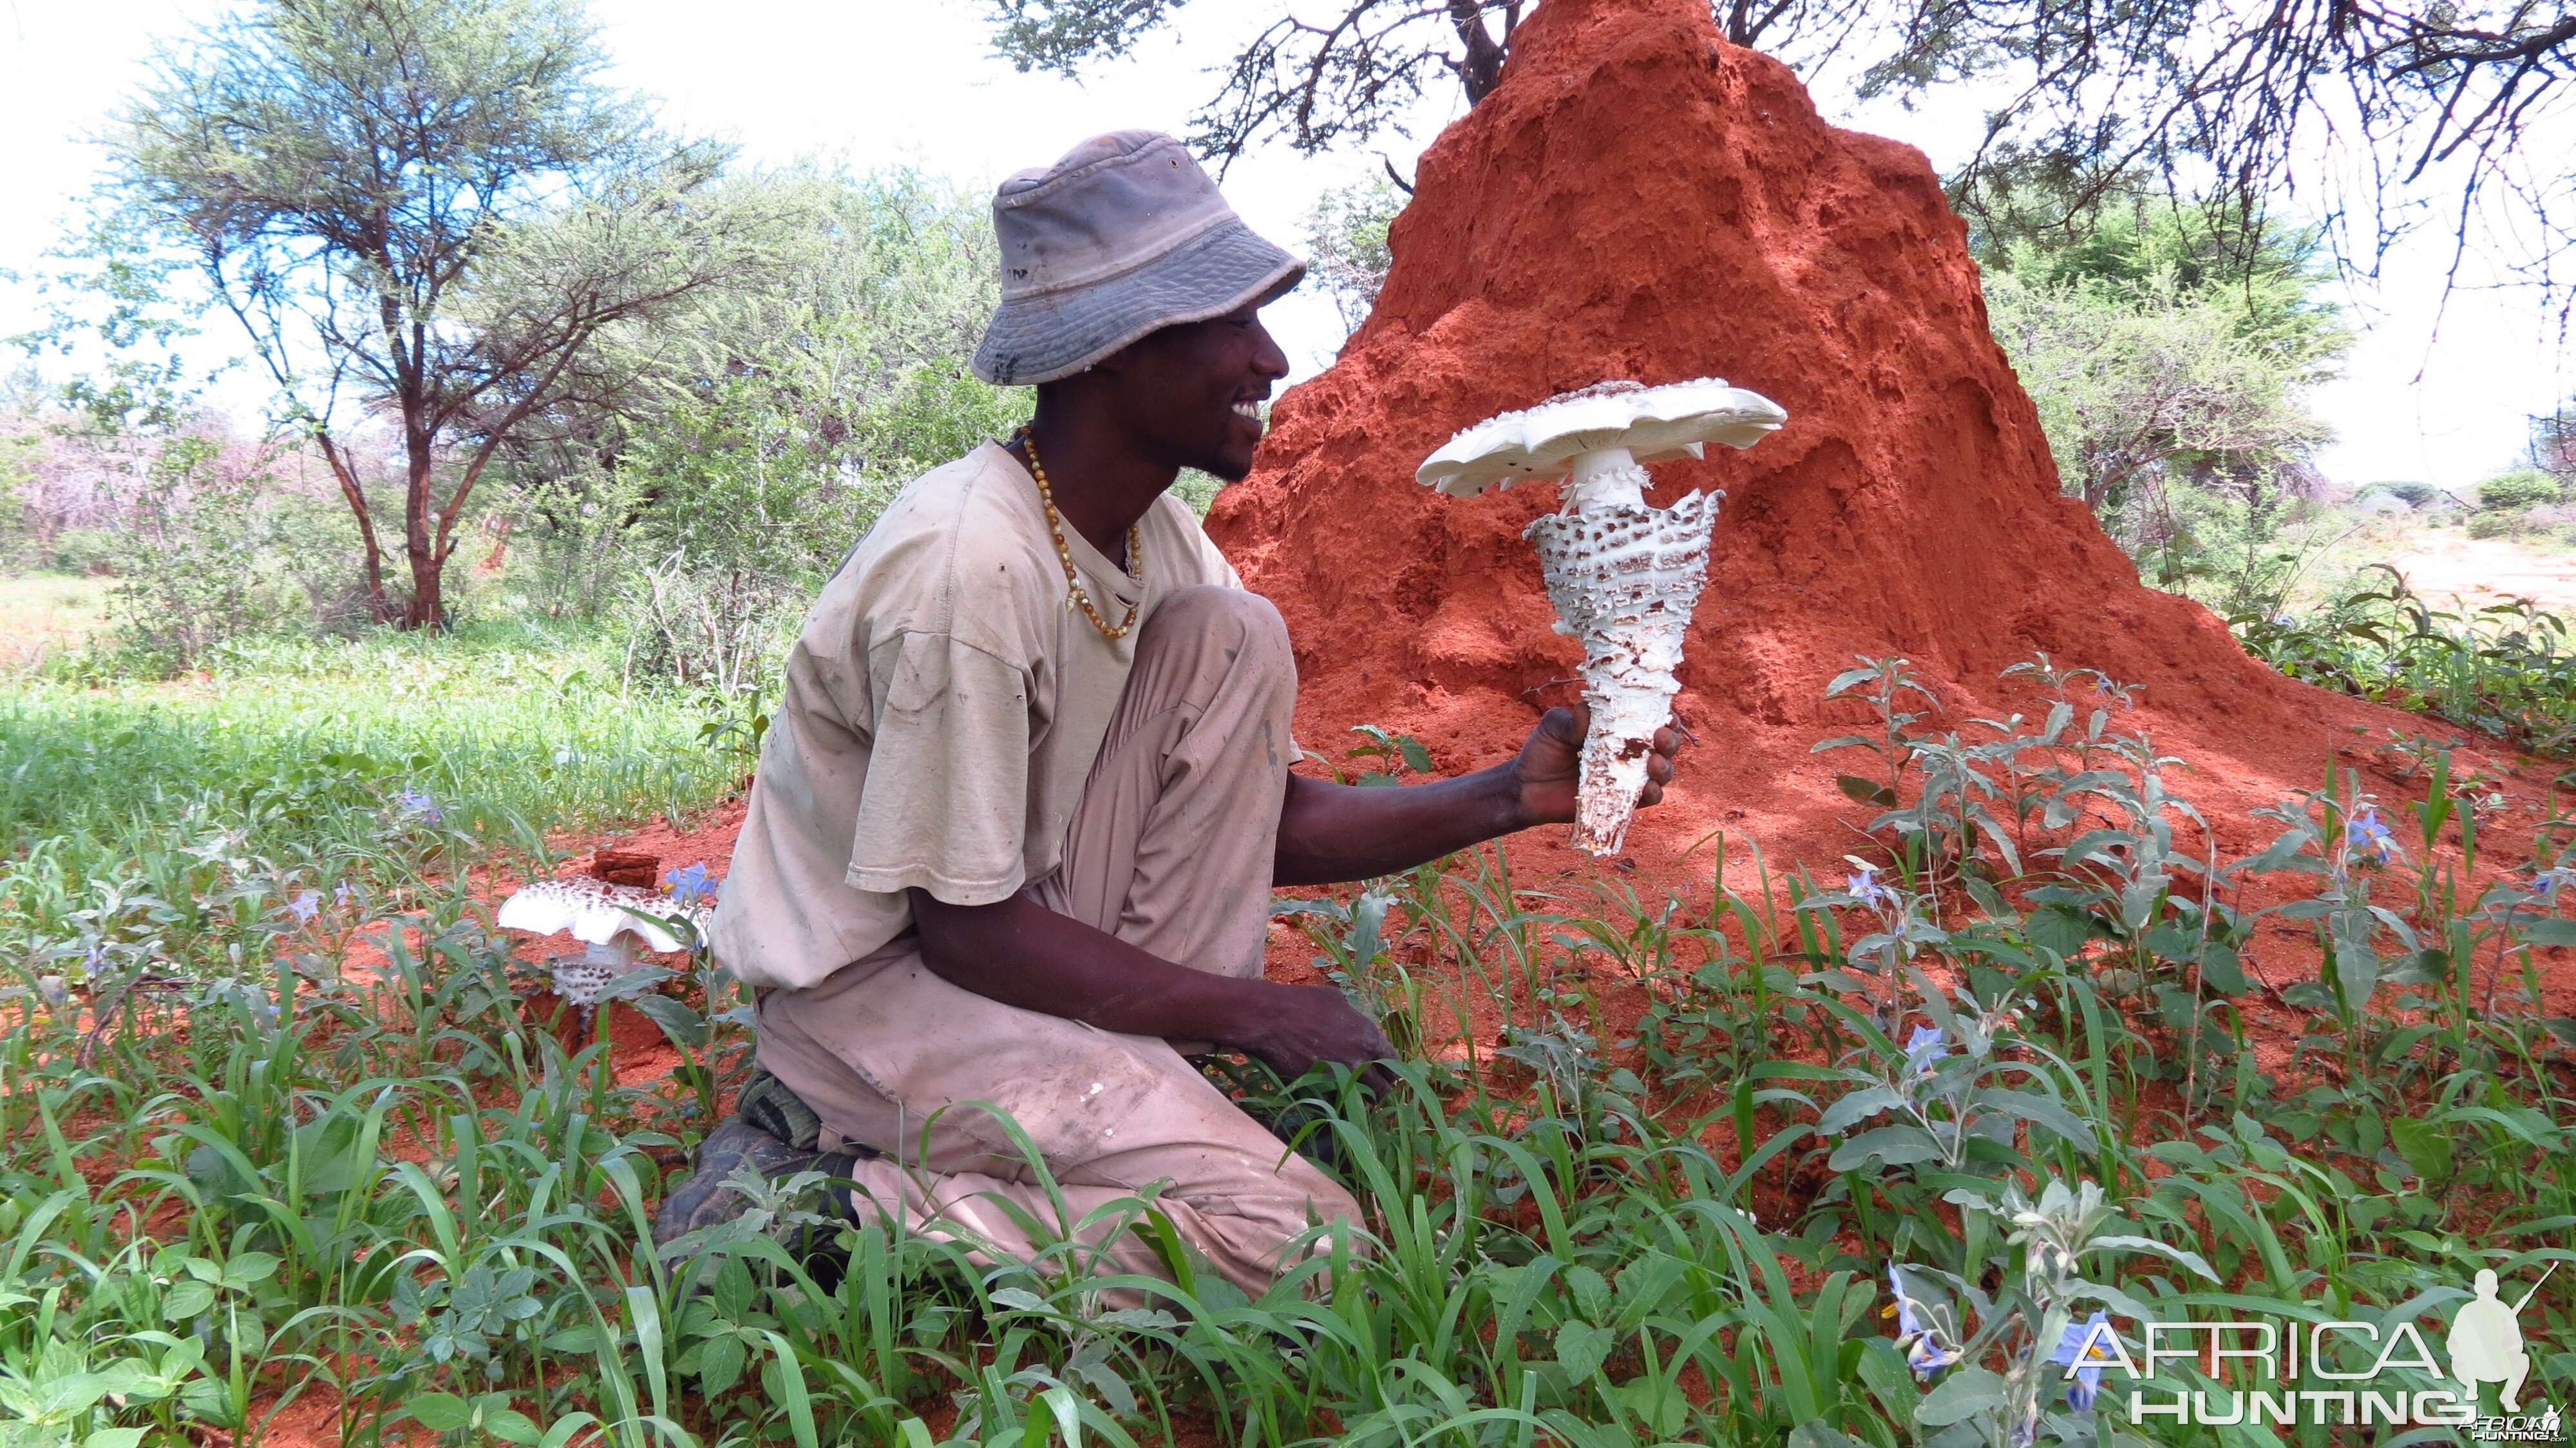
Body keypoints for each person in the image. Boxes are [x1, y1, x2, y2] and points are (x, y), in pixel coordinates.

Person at [652, 129, 1683, 1296]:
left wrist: (1510, 794)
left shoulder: (1157, 539)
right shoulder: (966, 575)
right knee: (1315, 1248)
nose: (1270, 354)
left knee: (1237, 637)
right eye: (1227, 324)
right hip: (881, 994)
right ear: (1112, 352)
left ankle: (1101, 1109)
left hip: (1016, 936)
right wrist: (1256, 1017)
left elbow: (1262, 821)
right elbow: (963, 931)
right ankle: (837, 1203)